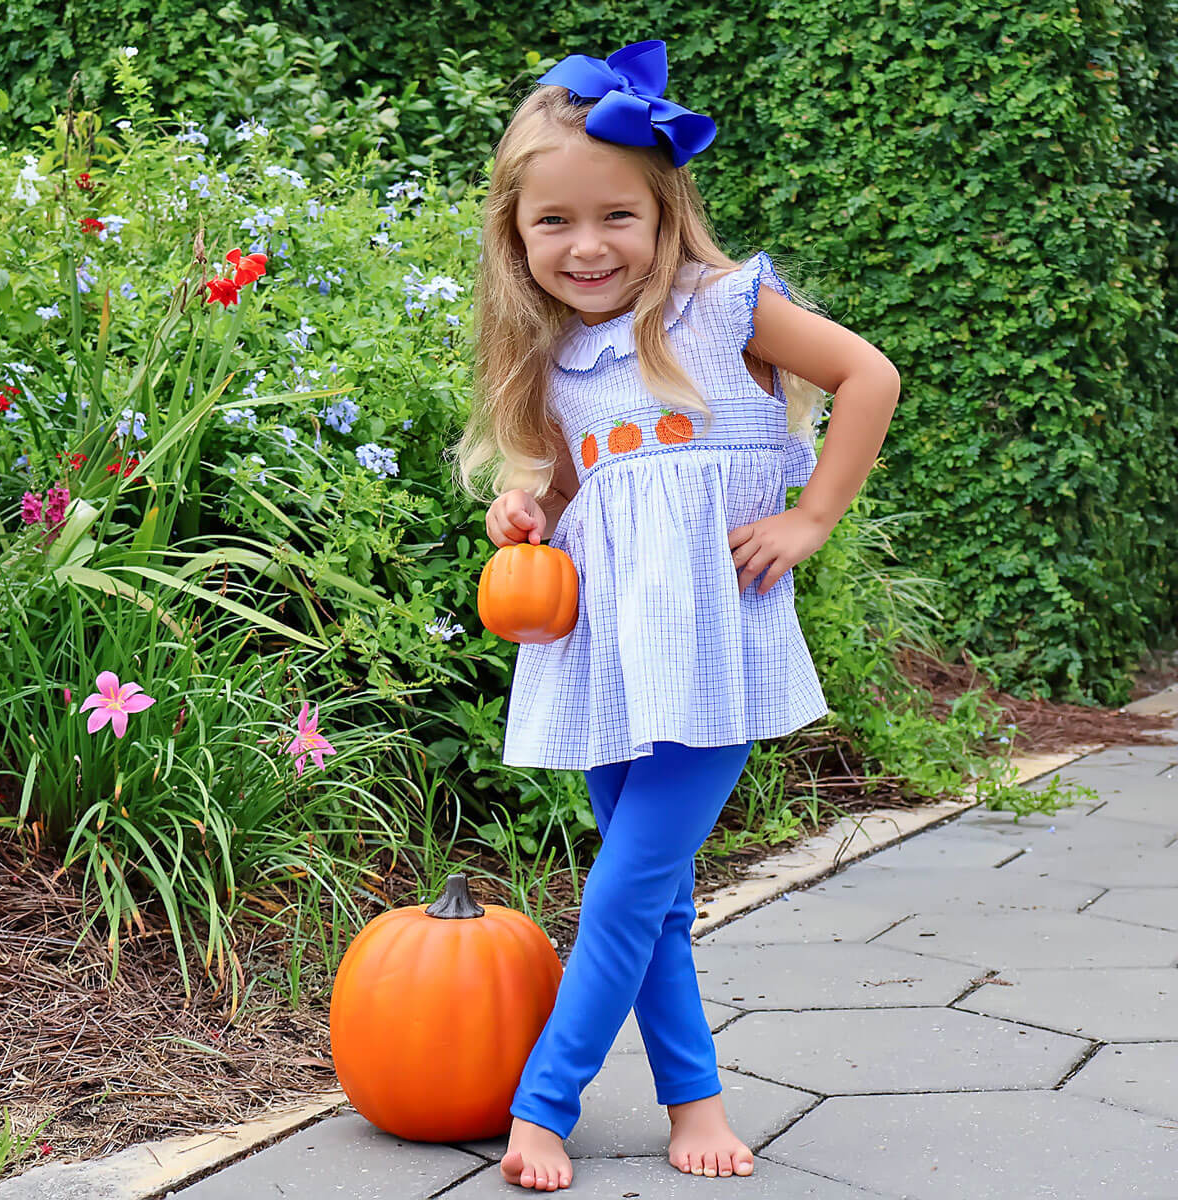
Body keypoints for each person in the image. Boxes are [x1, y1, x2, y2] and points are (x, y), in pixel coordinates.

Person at [448, 38, 900, 1191]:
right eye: (555, 224)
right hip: (606, 651)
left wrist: (809, 520)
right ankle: (693, 1102)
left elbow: (869, 377)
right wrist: (522, 508)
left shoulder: (721, 306)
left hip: (714, 647)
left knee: (623, 887)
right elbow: (563, 491)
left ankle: (544, 1107)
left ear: (664, 212)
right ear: (517, 235)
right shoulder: (555, 363)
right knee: (649, 902)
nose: (588, 246)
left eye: (617, 217)